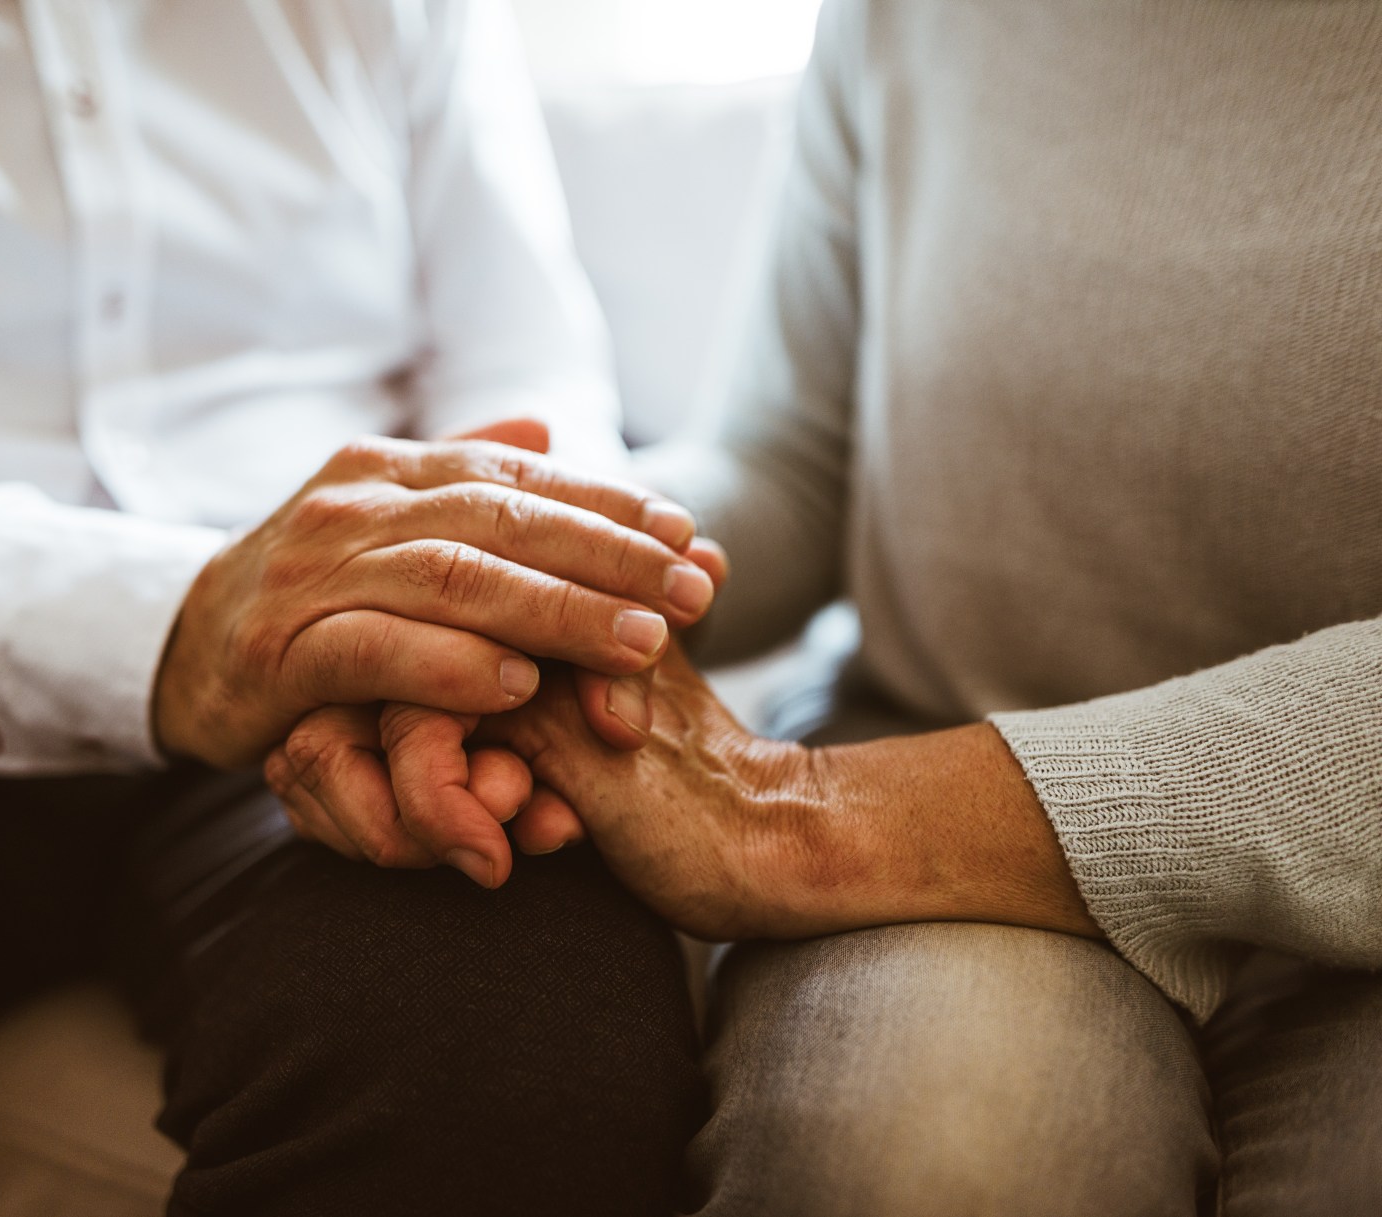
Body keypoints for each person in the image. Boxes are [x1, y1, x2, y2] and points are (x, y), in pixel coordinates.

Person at [0, 2, 722, 1214]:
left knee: (518, 1063)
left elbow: (521, 365)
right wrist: (175, 626)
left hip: (337, 703)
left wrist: (473, 636)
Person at [282, 1, 1382, 1213]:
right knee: (917, 1175)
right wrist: (525, 594)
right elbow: (799, 458)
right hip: (935, 768)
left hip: (948, 818)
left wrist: (795, 817)